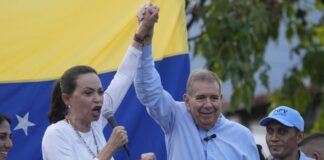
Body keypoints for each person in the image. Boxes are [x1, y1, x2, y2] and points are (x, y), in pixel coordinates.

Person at [134, 8, 259, 159]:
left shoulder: (243, 136)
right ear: (187, 100)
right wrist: (145, 41)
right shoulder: (176, 117)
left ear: (221, 99)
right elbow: (149, 91)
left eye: (213, 98)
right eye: (200, 98)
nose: (208, 105)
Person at [41, 5, 159, 160]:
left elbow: (123, 76)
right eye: (88, 93)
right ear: (67, 99)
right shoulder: (56, 134)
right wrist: (110, 147)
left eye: (100, 92)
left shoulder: (95, 125)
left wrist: (142, 31)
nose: (97, 98)